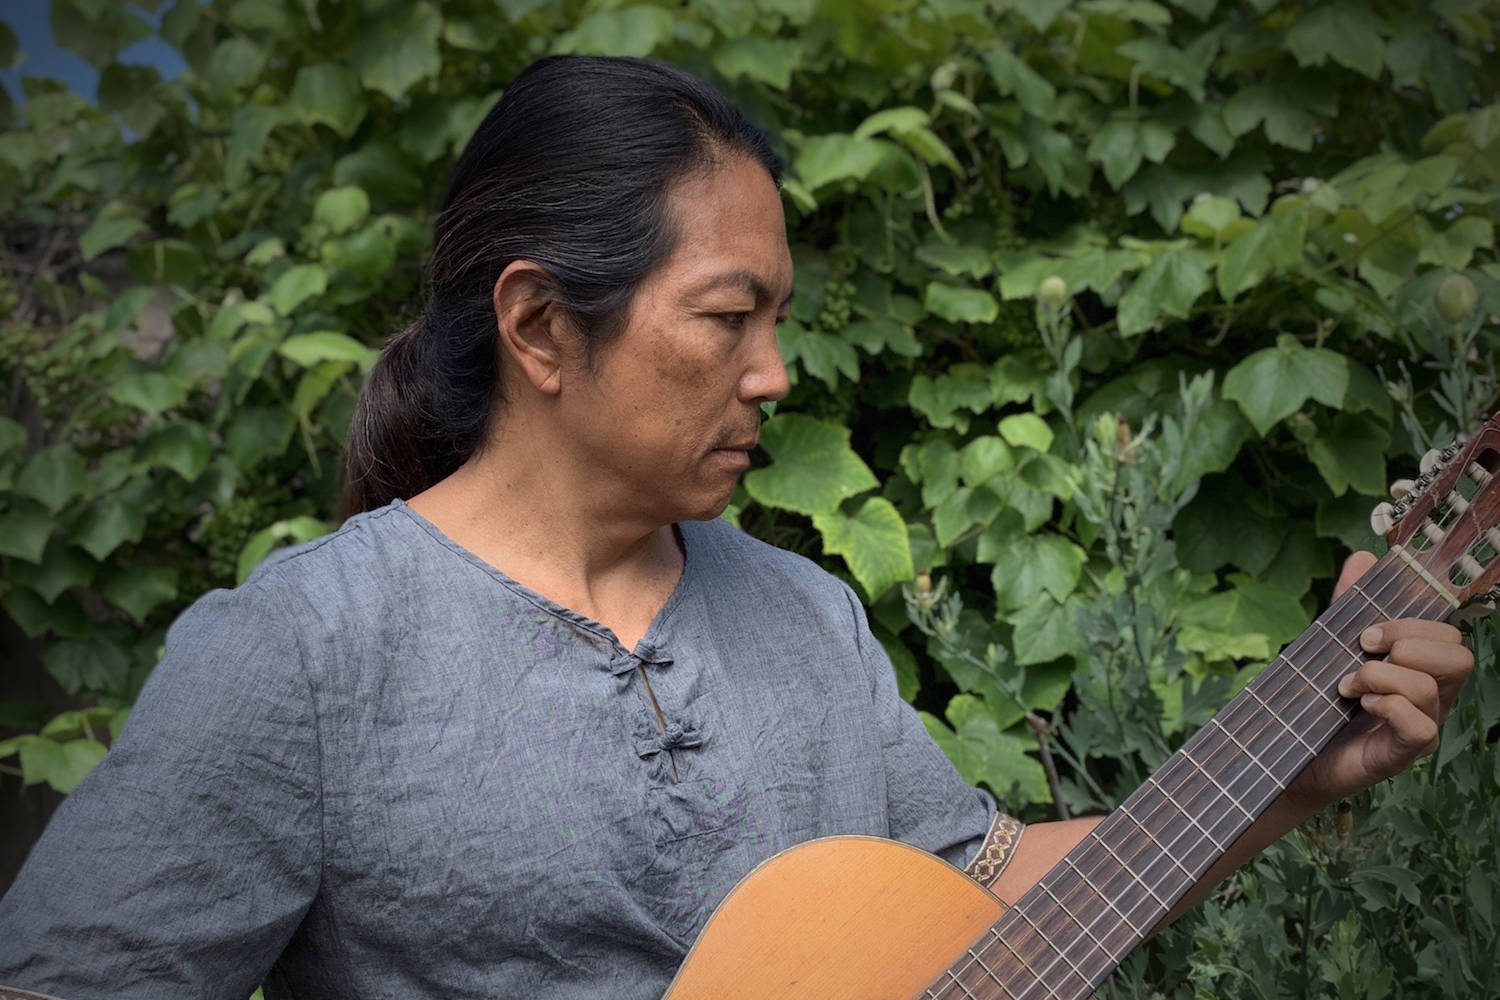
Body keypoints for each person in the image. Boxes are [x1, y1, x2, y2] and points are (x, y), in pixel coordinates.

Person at [0, 56, 1475, 1000]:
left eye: (779, 315)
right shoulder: (305, 653)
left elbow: (978, 894)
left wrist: (1289, 765)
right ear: (537, 323)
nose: (773, 370)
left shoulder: (804, 615)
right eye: (726, 316)